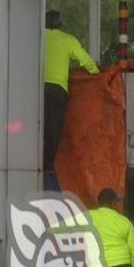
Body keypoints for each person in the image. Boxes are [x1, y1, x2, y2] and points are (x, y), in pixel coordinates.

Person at [44, 10, 99, 190]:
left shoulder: (36, 38)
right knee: (54, 131)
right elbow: (86, 62)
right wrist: (97, 73)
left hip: (34, 90)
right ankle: (46, 167)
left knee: (36, 130)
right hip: (57, 90)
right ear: (61, 25)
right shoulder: (68, 40)